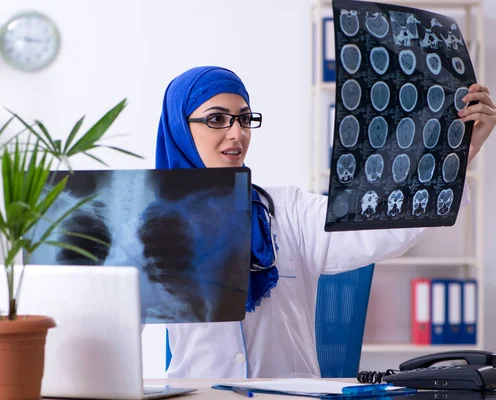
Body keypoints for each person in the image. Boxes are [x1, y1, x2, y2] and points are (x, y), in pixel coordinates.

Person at [155, 65, 496, 379]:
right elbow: (110, 323)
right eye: (217, 119)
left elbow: (385, 225)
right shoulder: (152, 226)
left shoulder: (288, 211)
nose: (236, 134)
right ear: (180, 128)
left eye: (244, 119)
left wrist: (458, 155)